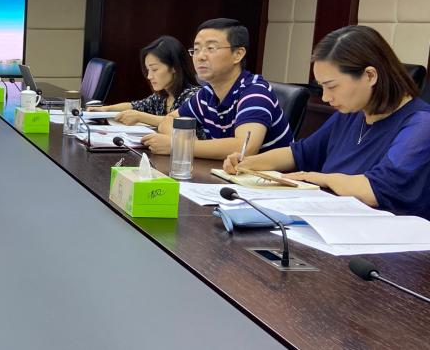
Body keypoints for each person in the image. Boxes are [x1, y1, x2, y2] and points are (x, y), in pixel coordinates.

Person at [224, 26, 430, 218]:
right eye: (321, 87)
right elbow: (300, 153)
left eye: (332, 86)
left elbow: (375, 190)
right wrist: (248, 162)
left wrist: (320, 178)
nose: (325, 97)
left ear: (369, 76)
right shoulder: (352, 112)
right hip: (330, 219)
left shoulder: (421, 124)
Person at [142, 18, 292, 159]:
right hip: (227, 173)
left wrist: (181, 146)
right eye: (196, 49)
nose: (200, 56)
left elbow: (245, 147)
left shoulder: (255, 93)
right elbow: (169, 120)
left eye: (211, 48)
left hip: (271, 177)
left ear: (238, 54)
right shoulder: (207, 94)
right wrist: (185, 141)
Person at [86, 36, 199, 127]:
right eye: (148, 70)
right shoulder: (162, 96)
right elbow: (135, 106)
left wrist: (141, 117)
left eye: (154, 69)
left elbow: (180, 123)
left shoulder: (194, 96)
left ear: (174, 67)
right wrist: (105, 109)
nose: (149, 76)